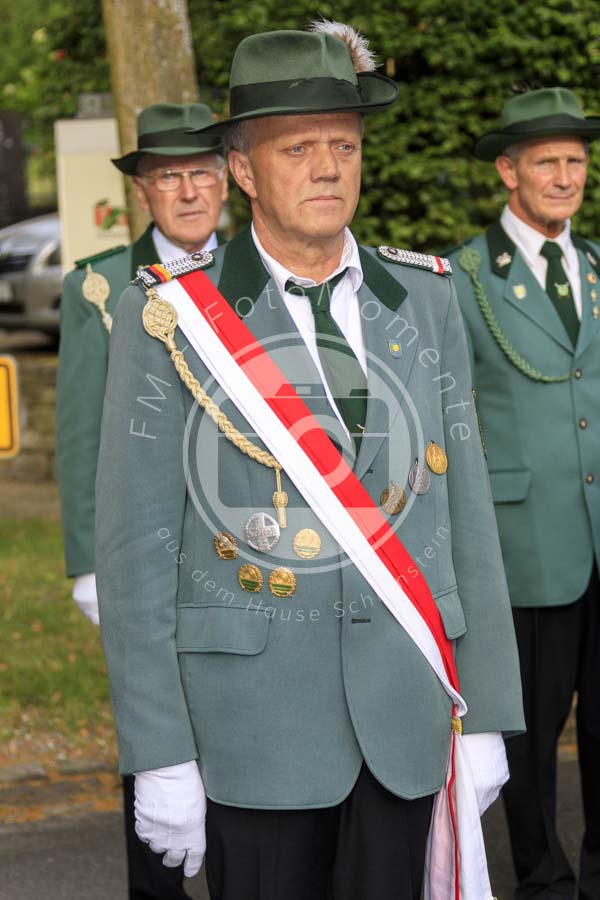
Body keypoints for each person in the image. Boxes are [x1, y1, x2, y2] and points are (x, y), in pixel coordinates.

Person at [95, 23, 523, 900]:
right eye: (298, 148)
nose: (328, 167)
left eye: (345, 145)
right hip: (252, 734)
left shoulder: (428, 299)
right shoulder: (171, 318)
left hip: (406, 718)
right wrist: (160, 753)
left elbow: (467, 517)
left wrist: (486, 712)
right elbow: (136, 555)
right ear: (243, 171)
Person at [55, 101, 227, 900]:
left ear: (228, 180)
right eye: (169, 177)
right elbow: (81, 433)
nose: (188, 191)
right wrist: (89, 563)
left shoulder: (261, 272)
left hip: (244, 542)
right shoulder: (97, 286)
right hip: (147, 548)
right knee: (155, 728)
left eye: (202, 173)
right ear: (143, 191)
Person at [447, 87, 600, 900]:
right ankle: (542, 878)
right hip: (525, 543)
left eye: (576, 161)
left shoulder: (598, 266)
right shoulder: (464, 277)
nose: (565, 177)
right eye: (548, 162)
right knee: (528, 735)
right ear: (509, 171)